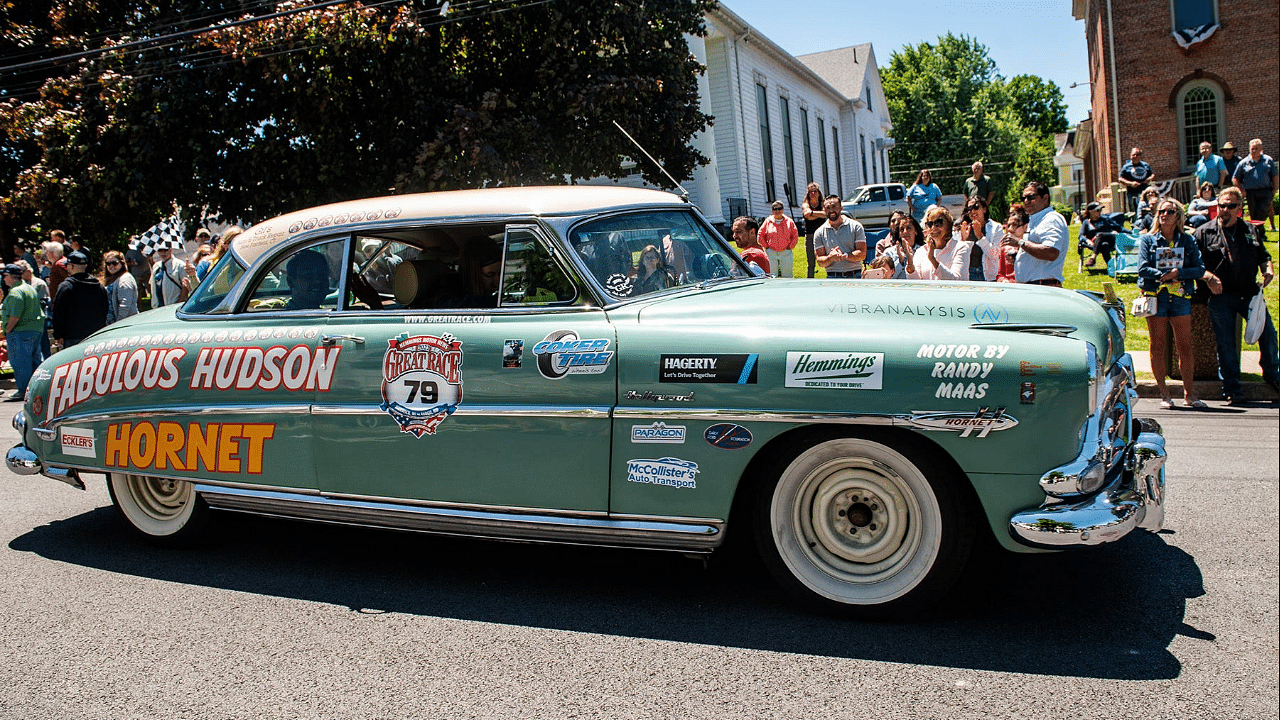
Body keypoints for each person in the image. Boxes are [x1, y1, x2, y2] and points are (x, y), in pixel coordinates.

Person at [1194, 186, 1279, 404]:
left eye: (1231, 206)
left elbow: (1264, 255)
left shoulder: (1251, 230)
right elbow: (1193, 265)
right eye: (1222, 205)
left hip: (1249, 293)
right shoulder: (1203, 232)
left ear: (1239, 208)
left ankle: (1272, 374)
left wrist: (1267, 269)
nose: (1225, 209)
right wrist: (1208, 278)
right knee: (1226, 343)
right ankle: (1231, 387)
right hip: (1220, 295)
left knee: (1268, 333)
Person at [1138, 199, 1206, 409]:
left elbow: (1200, 269)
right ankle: (1164, 394)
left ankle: (1189, 393)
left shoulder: (1187, 240)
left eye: (1170, 211)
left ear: (1178, 216)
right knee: (1157, 347)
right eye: (1161, 211)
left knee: (1185, 346)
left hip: (1180, 297)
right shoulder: (1148, 240)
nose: (1164, 214)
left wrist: (1179, 273)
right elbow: (1142, 268)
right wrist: (1164, 276)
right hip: (1155, 296)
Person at [1005, 182, 1068, 286]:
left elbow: (1051, 252)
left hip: (1044, 286)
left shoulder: (1051, 219)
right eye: (1023, 198)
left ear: (1045, 198)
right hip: (1032, 286)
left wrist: (1020, 243)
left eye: (1031, 197)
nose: (1026, 201)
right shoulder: (1035, 220)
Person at [0, 264, 45, 401]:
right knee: (35, 362)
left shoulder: (15, 292)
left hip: (20, 331)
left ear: (10, 277)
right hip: (35, 330)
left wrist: (7, 330)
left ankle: (23, 391)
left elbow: (15, 315)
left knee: (21, 363)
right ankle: (39, 390)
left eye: (5, 276)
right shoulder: (29, 288)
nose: (4, 279)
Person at [51, 251, 108, 349]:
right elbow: (105, 309)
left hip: (72, 337)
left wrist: (58, 334)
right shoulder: (99, 286)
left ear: (71, 266)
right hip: (95, 335)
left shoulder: (66, 286)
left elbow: (58, 312)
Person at [905, 206, 970, 281]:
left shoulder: (961, 247)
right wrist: (911, 269)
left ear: (948, 225)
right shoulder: (921, 251)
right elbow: (916, 283)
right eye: (930, 224)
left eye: (938, 223)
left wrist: (933, 260)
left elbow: (957, 281)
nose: (933, 227)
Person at [813, 195, 866, 278]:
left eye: (834, 207)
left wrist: (845, 256)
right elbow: (820, 261)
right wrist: (830, 258)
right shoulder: (819, 232)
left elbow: (862, 254)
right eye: (828, 208)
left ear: (841, 208)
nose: (831, 211)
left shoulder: (856, 226)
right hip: (832, 276)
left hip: (855, 275)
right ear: (824, 210)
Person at [1232, 138, 1278, 231]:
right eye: (1252, 148)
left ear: (1261, 149)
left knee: (1263, 211)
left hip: (1265, 190)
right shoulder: (1243, 163)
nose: (1253, 151)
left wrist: (1274, 189)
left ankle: (1258, 232)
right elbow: (1235, 178)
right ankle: (1259, 234)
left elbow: (1274, 175)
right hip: (1250, 192)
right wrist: (1241, 190)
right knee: (1253, 214)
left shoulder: (1268, 160)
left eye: (1256, 148)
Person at [957, 197, 1002, 281]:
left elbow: (994, 254)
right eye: (969, 209)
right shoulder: (964, 227)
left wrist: (980, 236)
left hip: (988, 276)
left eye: (976, 207)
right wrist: (962, 240)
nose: (972, 211)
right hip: (968, 274)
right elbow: (958, 255)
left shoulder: (996, 227)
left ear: (984, 209)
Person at [758, 201, 798, 277]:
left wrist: (790, 247)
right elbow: (760, 235)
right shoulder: (768, 221)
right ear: (772, 210)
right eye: (775, 209)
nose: (777, 211)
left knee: (788, 275)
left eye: (779, 208)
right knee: (771, 275)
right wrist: (766, 246)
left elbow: (795, 235)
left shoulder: (789, 221)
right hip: (771, 253)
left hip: (786, 252)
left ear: (783, 210)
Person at [1079, 201, 1123, 267]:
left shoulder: (1105, 219)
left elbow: (1119, 228)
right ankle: (1110, 266)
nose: (1100, 212)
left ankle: (1092, 258)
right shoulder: (1086, 222)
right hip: (1096, 244)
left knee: (1100, 235)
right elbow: (1081, 235)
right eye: (1097, 210)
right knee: (1104, 245)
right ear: (1091, 212)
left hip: (1110, 239)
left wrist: (1131, 233)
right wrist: (1087, 241)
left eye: (1100, 210)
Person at [879, 214, 922, 279]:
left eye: (909, 228)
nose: (905, 232)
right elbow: (885, 277)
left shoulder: (923, 251)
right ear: (899, 234)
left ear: (915, 231)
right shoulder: (889, 253)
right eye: (902, 229)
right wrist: (900, 262)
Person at [102, 250, 139, 324]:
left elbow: (125, 305)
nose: (111, 266)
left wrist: (119, 323)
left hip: (126, 323)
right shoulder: (113, 278)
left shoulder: (125, 279)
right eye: (108, 263)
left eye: (115, 263)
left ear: (122, 263)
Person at [150, 242, 190, 308]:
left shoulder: (179, 265)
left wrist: (179, 303)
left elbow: (185, 286)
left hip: (173, 305)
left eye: (165, 250)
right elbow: (152, 285)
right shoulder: (156, 266)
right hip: (158, 306)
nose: (163, 253)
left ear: (170, 249)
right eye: (160, 250)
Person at [995, 205, 1028, 283]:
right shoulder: (1004, 248)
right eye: (1008, 225)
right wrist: (1003, 280)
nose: (1010, 229)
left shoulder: (1031, 246)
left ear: (1025, 227)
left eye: (1015, 225)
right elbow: (1000, 274)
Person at [801, 182, 826, 278]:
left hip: (823, 234)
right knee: (811, 262)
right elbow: (808, 216)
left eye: (815, 191)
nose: (813, 194)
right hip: (810, 235)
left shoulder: (823, 203)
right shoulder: (805, 204)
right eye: (810, 192)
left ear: (819, 193)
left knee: (827, 259)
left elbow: (826, 214)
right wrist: (818, 214)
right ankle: (810, 280)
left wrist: (812, 213)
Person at [1118, 147, 1155, 214]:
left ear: (1140, 156)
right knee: (1134, 212)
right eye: (1133, 155)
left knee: (1146, 210)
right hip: (1132, 193)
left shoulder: (1145, 165)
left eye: (1137, 155)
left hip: (1145, 193)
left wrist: (1149, 179)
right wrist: (1130, 183)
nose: (1135, 156)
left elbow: (1152, 175)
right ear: (1130, 156)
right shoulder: (1126, 167)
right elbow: (1120, 179)